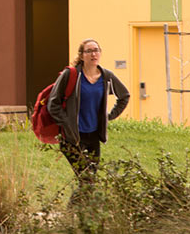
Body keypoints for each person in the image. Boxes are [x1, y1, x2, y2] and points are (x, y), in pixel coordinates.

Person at [47, 38, 130, 182]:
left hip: (94, 137)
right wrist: (66, 123)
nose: (93, 54)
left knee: (89, 180)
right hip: (72, 137)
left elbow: (124, 96)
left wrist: (109, 116)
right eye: (89, 51)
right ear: (81, 55)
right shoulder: (71, 75)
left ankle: (78, 205)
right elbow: (53, 103)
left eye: (96, 50)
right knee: (87, 179)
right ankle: (78, 205)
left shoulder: (106, 76)